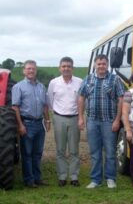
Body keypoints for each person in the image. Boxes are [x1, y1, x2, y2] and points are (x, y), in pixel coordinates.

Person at [78, 54, 125, 189]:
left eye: (104, 63)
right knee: (95, 152)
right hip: (92, 121)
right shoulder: (88, 79)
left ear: (107, 64)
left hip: (109, 121)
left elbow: (121, 99)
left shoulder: (115, 79)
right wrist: (81, 117)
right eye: (99, 64)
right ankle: (95, 180)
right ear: (94, 65)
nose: (101, 66)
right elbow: (81, 98)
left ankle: (110, 178)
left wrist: (117, 120)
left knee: (110, 152)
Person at [12, 60, 51, 188]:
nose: (31, 71)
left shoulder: (41, 87)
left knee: (37, 153)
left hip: (39, 124)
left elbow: (45, 106)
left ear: (36, 70)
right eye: (28, 68)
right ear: (24, 70)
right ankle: (29, 180)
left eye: (33, 69)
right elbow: (16, 107)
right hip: (26, 123)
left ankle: (37, 178)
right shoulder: (18, 87)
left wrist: (47, 120)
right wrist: (20, 125)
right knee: (27, 154)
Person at [47, 57, 83, 187]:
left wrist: (80, 118)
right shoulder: (53, 83)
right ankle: (62, 176)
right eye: (64, 66)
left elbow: (82, 101)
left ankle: (74, 176)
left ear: (72, 68)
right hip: (59, 117)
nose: (66, 68)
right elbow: (50, 100)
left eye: (68, 66)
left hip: (74, 118)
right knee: (60, 149)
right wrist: (56, 114)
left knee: (74, 150)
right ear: (59, 68)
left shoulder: (79, 82)